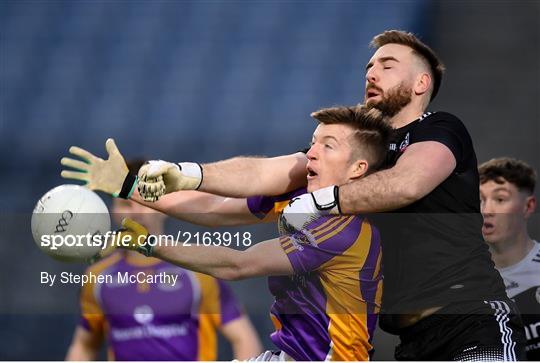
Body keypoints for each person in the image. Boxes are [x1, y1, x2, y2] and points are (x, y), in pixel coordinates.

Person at [61, 30, 526, 360]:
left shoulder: (438, 130)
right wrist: (158, 180)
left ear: (422, 83)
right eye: (368, 65)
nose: (372, 72)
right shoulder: (347, 160)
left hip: (470, 321)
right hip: (408, 340)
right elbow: (249, 185)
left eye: (387, 65)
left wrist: (321, 202)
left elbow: (409, 184)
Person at [62, 106, 390, 361]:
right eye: (313, 142)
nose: (312, 152)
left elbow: (238, 265)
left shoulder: (344, 229)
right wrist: (128, 186)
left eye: (327, 146)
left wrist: (151, 244)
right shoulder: (301, 200)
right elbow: (213, 208)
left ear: (357, 169)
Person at [65, 161, 262, 361]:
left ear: (163, 206)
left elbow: (244, 339)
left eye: (143, 201)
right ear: (113, 210)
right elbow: (84, 346)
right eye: (125, 202)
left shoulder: (199, 271)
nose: (135, 211)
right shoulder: (97, 277)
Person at [479, 157, 540, 360]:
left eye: (500, 199)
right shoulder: (468, 283)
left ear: (528, 206)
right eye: (480, 199)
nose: (486, 210)